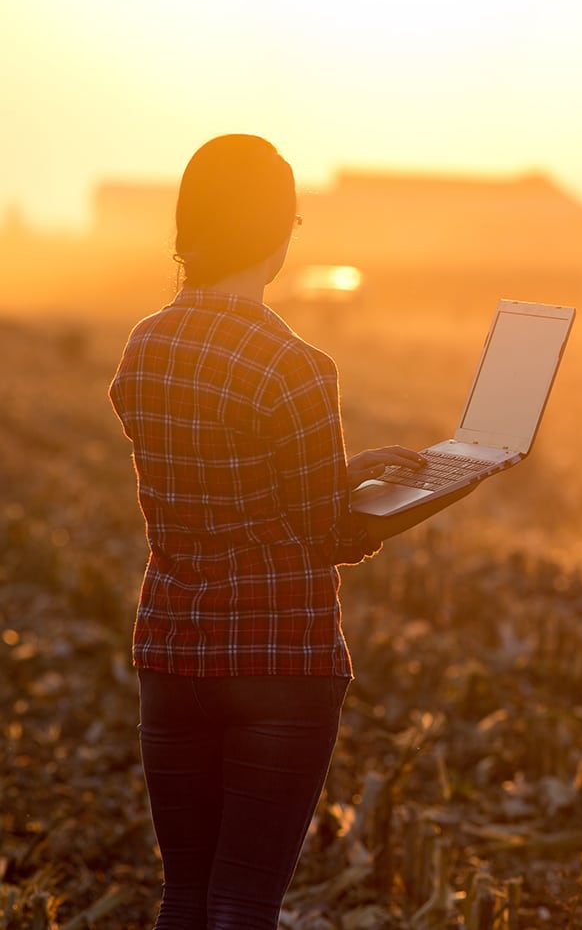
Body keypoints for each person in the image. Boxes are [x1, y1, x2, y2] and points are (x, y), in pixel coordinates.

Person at [109, 133, 425, 929]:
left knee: (184, 898)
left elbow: (224, 473)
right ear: (280, 233)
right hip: (278, 661)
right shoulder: (297, 366)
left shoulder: (143, 348)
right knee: (244, 904)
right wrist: (413, 498)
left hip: (173, 652)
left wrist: (347, 469)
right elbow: (322, 533)